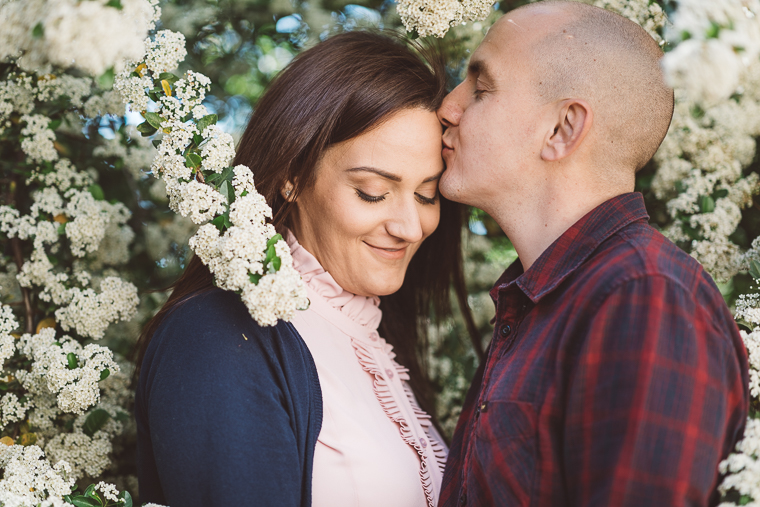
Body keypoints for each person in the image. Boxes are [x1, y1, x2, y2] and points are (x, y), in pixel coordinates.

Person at [134, 31, 479, 507]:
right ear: (293, 174)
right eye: (373, 191)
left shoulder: (376, 343)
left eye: (426, 195)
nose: (411, 226)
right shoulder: (219, 334)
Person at [437, 2, 749, 506]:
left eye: (480, 88)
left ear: (562, 129)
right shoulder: (541, 300)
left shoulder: (643, 296)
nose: (448, 108)